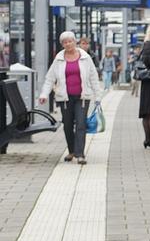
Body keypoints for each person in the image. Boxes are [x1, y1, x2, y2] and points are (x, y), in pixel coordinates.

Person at [38, 31, 103, 165]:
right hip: (65, 98)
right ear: (62, 44)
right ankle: (72, 151)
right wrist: (44, 94)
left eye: (70, 41)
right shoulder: (59, 59)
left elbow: (93, 77)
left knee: (80, 124)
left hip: (82, 97)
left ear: (75, 42)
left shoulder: (85, 57)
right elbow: (50, 78)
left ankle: (80, 154)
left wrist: (98, 95)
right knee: (67, 126)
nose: (68, 44)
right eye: (65, 42)